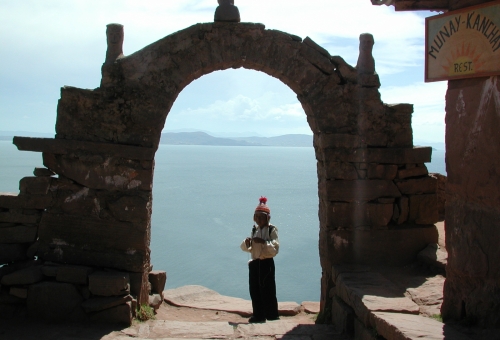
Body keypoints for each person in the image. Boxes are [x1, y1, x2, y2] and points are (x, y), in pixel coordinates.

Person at [240, 196, 280, 323]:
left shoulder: (271, 230)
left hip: (266, 263)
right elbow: (249, 248)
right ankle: (258, 315)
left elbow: (275, 247)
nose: (258, 219)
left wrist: (263, 242)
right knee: (255, 290)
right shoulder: (255, 230)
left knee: (267, 289)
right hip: (255, 263)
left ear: (267, 218)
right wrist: (248, 243)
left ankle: (272, 315)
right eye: (257, 217)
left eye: (261, 217)